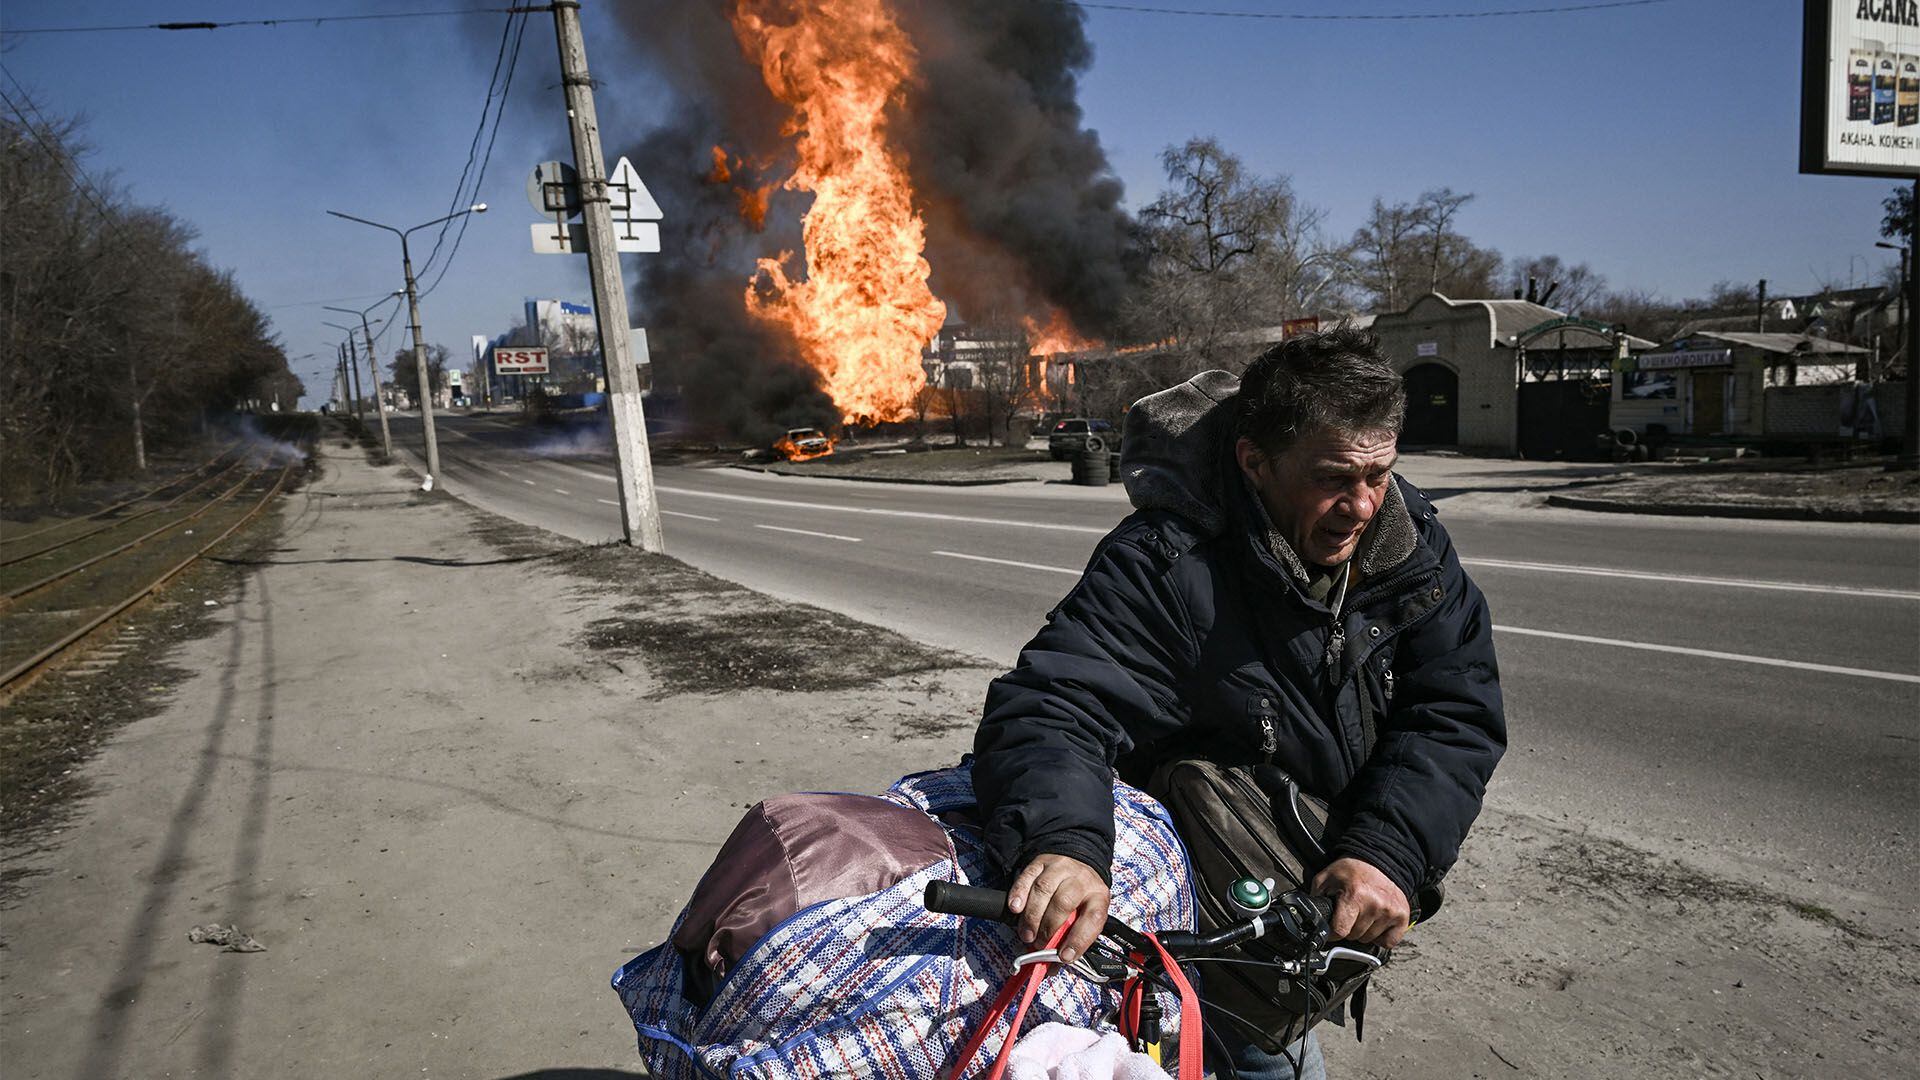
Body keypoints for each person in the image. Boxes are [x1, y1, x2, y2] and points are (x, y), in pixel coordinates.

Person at [972, 329, 1506, 1077]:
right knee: (1271, 1058)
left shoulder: (1408, 545)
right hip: (1209, 911)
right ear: (1255, 462)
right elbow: (1057, 701)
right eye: (1334, 477)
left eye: (1380, 474)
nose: (1362, 506)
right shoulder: (1165, 562)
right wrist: (1063, 842)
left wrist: (1386, 854)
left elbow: (1455, 711)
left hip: (1326, 879)